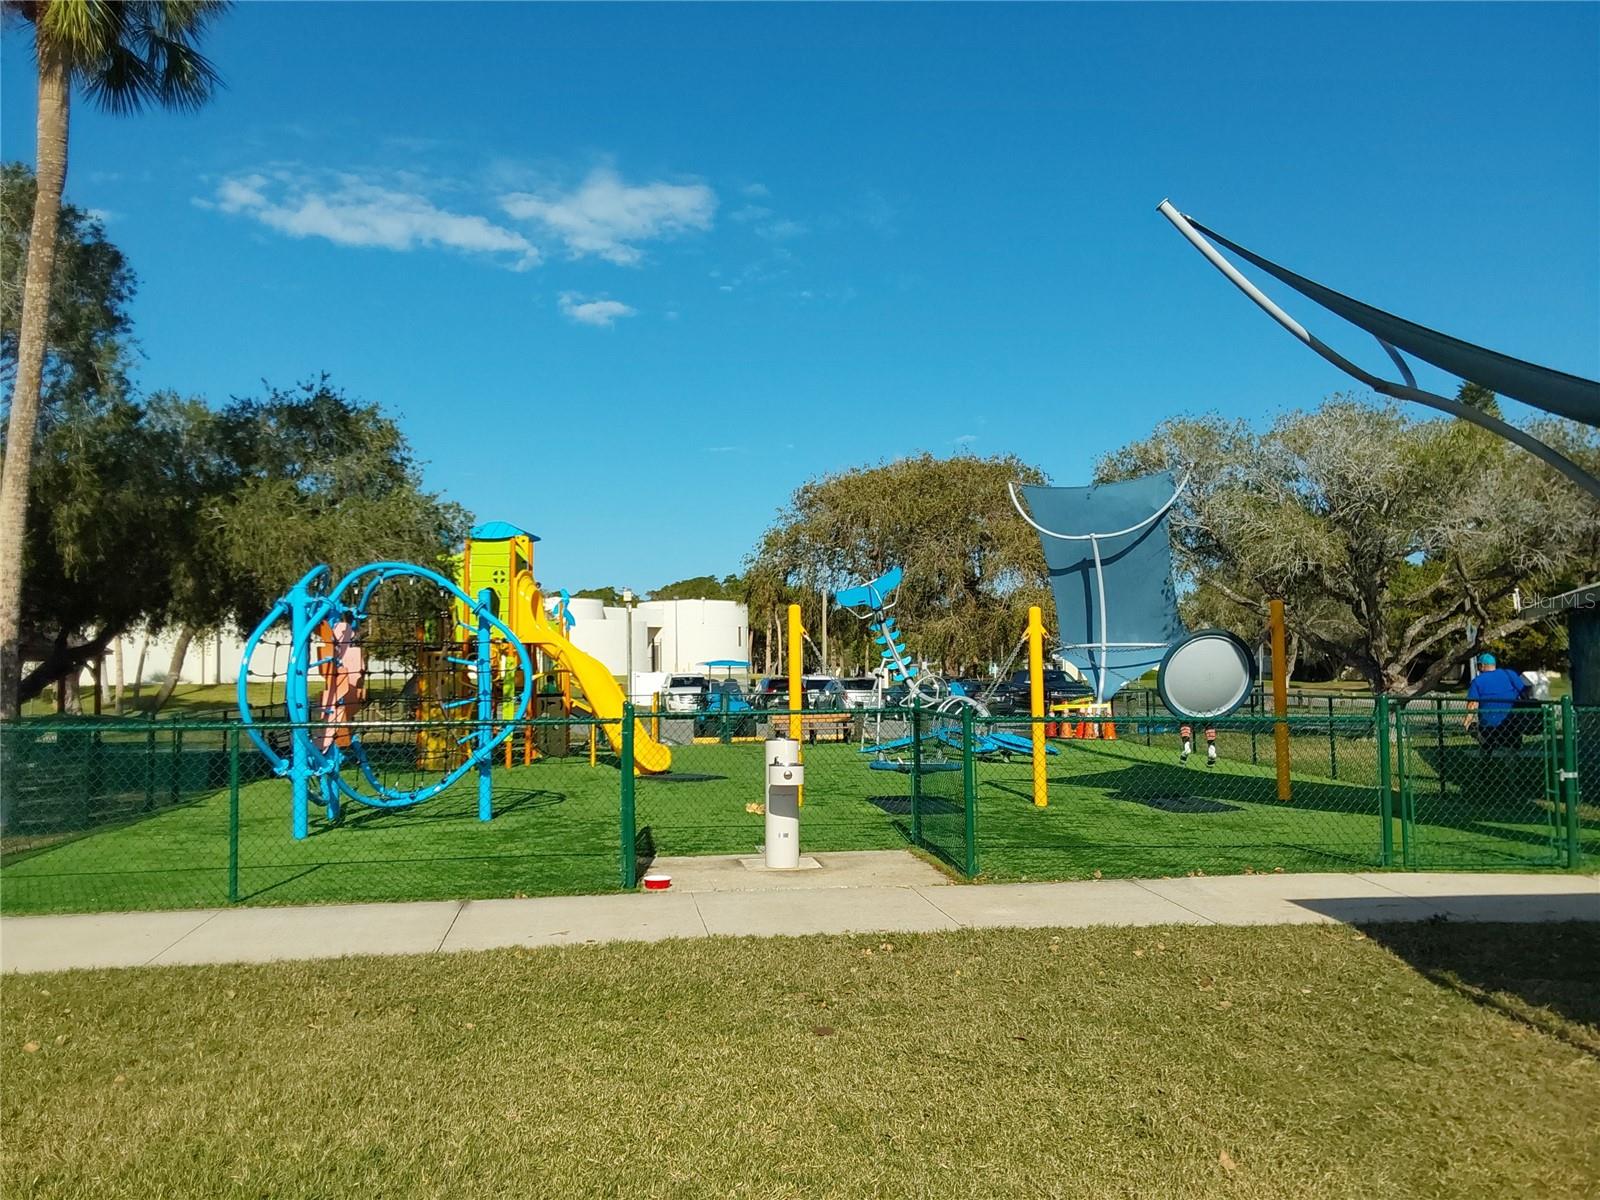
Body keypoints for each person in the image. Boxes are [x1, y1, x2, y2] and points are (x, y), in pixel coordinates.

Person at [1463, 652, 1530, 753]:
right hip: (1512, 723)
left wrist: (1466, 724)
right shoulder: (1510, 674)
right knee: (1512, 750)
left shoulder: (1477, 681)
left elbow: (1472, 705)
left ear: (1482, 666)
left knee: (1474, 728)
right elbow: (1524, 694)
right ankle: (1513, 763)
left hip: (1488, 726)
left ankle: (1487, 754)